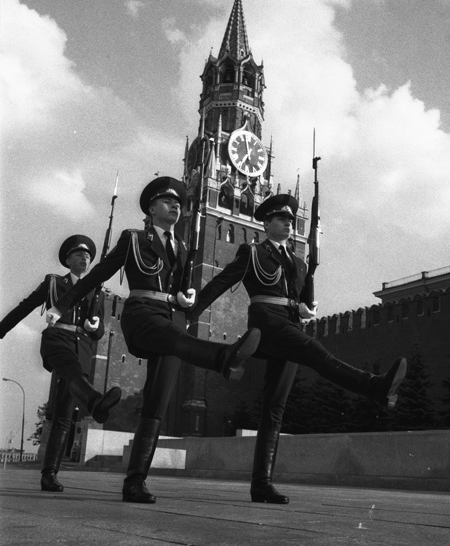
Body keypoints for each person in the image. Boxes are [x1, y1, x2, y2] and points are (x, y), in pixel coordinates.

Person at [45, 176, 261, 503]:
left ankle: (135, 482)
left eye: (178, 204)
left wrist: (187, 298)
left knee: (157, 402)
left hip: (172, 320)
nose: (175, 206)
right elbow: (98, 275)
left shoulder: (183, 248)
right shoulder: (133, 239)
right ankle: (222, 357)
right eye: (167, 201)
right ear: (151, 209)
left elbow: (181, 289)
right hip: (142, 314)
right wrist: (61, 305)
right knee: (172, 337)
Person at [186, 194, 408, 505]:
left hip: (290, 324)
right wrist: (191, 313)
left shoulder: (299, 263)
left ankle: (261, 485)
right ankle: (374, 387)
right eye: (281, 219)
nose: (288, 224)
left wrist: (307, 306)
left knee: (274, 408)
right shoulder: (252, 252)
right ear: (267, 224)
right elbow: (220, 283)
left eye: (291, 220)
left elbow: (302, 301)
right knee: (317, 353)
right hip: (268, 323)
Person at [0, 235, 122, 492]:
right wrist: (1, 329)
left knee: (65, 413)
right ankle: (94, 401)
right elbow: (25, 306)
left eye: (87, 256)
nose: (84, 258)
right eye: (78, 254)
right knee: (72, 373)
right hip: (57, 339)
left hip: (82, 347)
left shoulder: (97, 290)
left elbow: (99, 331)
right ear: (68, 260)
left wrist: (96, 326)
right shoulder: (54, 283)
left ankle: (50, 474)